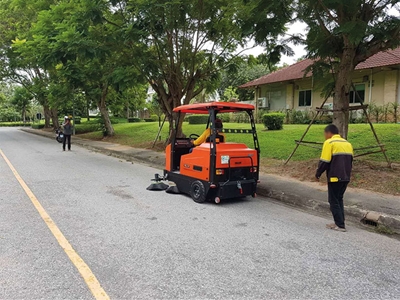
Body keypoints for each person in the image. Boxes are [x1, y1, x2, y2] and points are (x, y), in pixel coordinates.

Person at [315, 124, 353, 232]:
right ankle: (340, 222)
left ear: (328, 133)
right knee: (339, 199)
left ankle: (340, 225)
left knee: (333, 200)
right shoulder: (347, 143)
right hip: (346, 177)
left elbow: (324, 161)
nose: (325, 136)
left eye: (325, 134)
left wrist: (318, 174)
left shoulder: (329, 142)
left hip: (335, 177)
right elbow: (350, 161)